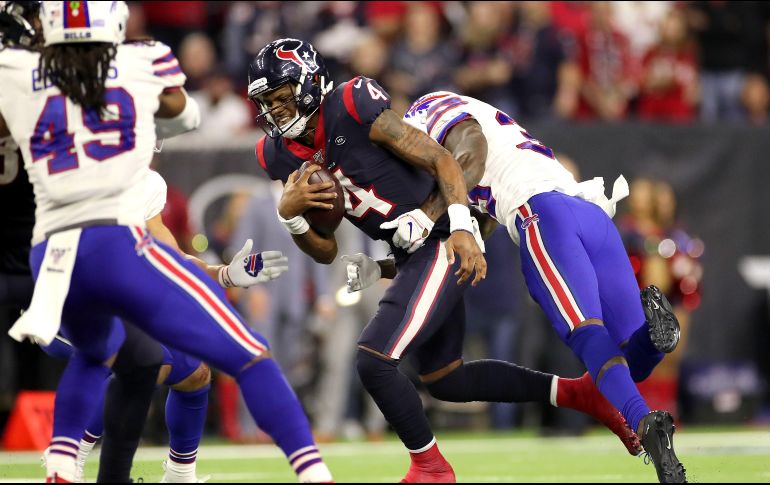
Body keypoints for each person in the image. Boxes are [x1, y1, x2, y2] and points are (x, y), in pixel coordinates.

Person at [248, 38, 639, 483]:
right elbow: (327, 250)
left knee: (374, 360)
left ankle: (431, 468)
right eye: (266, 102)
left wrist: (457, 225)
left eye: (281, 97)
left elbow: (443, 161)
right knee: (446, 378)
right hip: (409, 253)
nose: (275, 110)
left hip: (439, 242)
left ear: (311, 83)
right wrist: (290, 217)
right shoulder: (275, 154)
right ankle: (578, 395)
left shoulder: (353, 104)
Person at [0, 3, 331, 482]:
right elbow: (184, 113)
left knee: (162, 365)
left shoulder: (18, 72)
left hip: (52, 261)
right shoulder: (141, 61)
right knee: (243, 353)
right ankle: (315, 473)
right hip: (110, 244)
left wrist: (225, 274)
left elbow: (170, 258)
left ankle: (74, 465)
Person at [383, 90, 686, 482]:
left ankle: (645, 422)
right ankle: (655, 336)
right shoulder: (490, 130)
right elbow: (476, 220)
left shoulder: (427, 114)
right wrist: (387, 265)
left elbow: (468, 147)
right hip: (592, 216)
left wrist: (426, 216)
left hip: (542, 216)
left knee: (585, 332)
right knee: (629, 359)